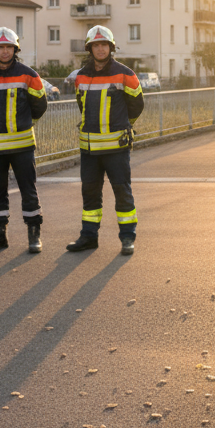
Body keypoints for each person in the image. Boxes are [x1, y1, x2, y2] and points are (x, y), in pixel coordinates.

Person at [66, 25, 143, 256]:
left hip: (116, 149)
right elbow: (82, 106)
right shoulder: (81, 76)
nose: (101, 49)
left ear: (111, 47)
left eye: (105, 45)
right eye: (96, 45)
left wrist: (122, 124)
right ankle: (88, 237)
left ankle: (128, 238)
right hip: (89, 149)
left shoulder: (125, 73)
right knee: (89, 194)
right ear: (90, 49)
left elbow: (137, 106)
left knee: (122, 192)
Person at [0, 27, 48, 253]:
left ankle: (34, 236)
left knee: (29, 190)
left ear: (15, 49)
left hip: (22, 146)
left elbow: (40, 106)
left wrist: (23, 122)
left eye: (9, 47)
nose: (4, 51)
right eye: (0, 47)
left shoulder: (29, 75)